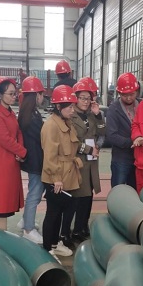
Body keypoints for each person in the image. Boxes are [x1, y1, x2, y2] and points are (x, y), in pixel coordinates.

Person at [60, 78, 105, 248]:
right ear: (75, 98)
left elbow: (102, 132)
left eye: (88, 98)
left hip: (91, 162)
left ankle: (81, 227)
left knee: (88, 196)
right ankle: (69, 231)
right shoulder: (71, 116)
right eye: (82, 98)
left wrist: (98, 116)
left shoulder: (92, 115)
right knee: (76, 198)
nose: (85, 101)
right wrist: (88, 149)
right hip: (78, 162)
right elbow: (71, 140)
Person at [41, 85, 82, 259]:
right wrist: (56, 178)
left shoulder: (66, 123)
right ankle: (47, 250)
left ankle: (54, 243)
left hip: (67, 174)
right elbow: (49, 155)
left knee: (61, 212)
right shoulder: (51, 126)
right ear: (58, 107)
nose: (73, 110)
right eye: (69, 107)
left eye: (73, 106)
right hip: (56, 177)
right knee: (53, 213)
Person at [0, 76, 27, 231]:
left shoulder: (10, 112)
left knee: (7, 201)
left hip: (10, 163)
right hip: (0, 165)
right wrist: (22, 152)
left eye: (15, 93)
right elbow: (5, 139)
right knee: (1, 203)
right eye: (10, 93)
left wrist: (20, 149)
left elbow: (18, 132)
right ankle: (1, 236)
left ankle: (3, 235)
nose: (14, 96)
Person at [17, 76, 45, 244]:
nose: (43, 97)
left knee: (34, 191)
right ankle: (28, 229)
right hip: (36, 161)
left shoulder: (29, 113)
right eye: (41, 94)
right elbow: (42, 137)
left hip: (32, 160)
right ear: (36, 95)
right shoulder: (32, 117)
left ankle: (25, 220)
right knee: (35, 193)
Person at [106, 72, 139, 188]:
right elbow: (111, 135)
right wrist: (133, 142)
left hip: (139, 158)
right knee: (118, 189)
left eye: (132, 94)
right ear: (119, 93)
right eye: (125, 95)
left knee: (136, 189)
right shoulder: (113, 109)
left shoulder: (142, 105)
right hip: (121, 158)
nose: (129, 98)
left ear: (137, 91)